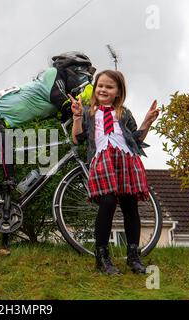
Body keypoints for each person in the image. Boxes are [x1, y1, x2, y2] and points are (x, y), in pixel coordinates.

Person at [70, 69, 160, 275]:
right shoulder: (88, 111)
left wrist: (147, 122)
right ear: (95, 88)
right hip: (102, 158)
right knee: (108, 201)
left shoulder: (124, 113)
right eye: (100, 85)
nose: (103, 89)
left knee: (130, 204)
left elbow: (136, 138)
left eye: (109, 87)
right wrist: (76, 117)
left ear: (118, 92)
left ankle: (133, 256)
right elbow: (78, 139)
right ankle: (102, 257)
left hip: (126, 158)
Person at [0, 51, 96, 186]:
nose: (83, 82)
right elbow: (62, 101)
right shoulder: (52, 75)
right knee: (4, 137)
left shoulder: (61, 92)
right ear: (70, 70)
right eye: (82, 76)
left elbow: (66, 115)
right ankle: (9, 180)